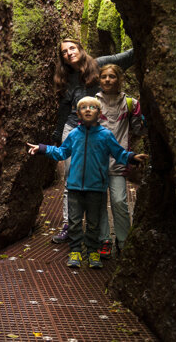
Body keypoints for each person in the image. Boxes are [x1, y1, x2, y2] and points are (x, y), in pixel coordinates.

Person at [27, 97, 148, 269]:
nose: (88, 109)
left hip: (96, 187)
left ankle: (92, 251)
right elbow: (62, 152)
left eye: (92, 107)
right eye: (84, 107)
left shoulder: (106, 135)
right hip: (75, 187)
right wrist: (42, 148)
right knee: (75, 222)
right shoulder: (74, 135)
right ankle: (75, 250)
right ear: (78, 114)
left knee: (93, 222)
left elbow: (118, 153)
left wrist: (132, 157)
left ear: (99, 113)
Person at [51, 38, 135, 243]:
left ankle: (103, 233)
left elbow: (127, 57)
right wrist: (58, 135)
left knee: (98, 181)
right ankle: (69, 225)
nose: (69, 53)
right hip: (73, 129)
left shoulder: (100, 64)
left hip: (98, 128)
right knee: (71, 177)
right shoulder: (66, 78)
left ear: (81, 49)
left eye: (72, 48)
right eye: (64, 52)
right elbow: (64, 108)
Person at [96, 64, 146, 259]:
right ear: (99, 80)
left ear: (119, 79)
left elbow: (138, 130)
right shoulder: (93, 102)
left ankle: (123, 241)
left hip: (119, 160)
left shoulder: (129, 103)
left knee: (119, 201)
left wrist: (145, 117)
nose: (108, 80)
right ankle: (104, 240)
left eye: (112, 76)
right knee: (99, 203)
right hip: (97, 161)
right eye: (104, 77)